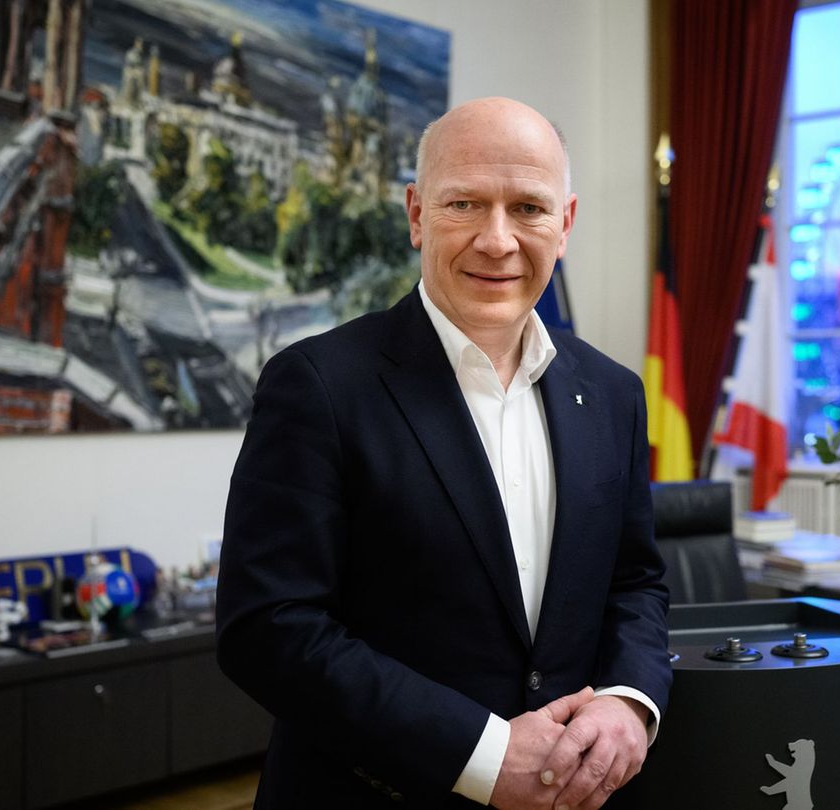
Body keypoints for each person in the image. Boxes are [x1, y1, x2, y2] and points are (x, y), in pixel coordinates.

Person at [216, 96, 671, 809]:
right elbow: (270, 628)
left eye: (528, 207)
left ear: (567, 223)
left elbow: (635, 582)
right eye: (464, 204)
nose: (498, 240)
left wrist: (628, 699)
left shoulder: (613, 393)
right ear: (417, 214)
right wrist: (485, 756)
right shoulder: (319, 385)